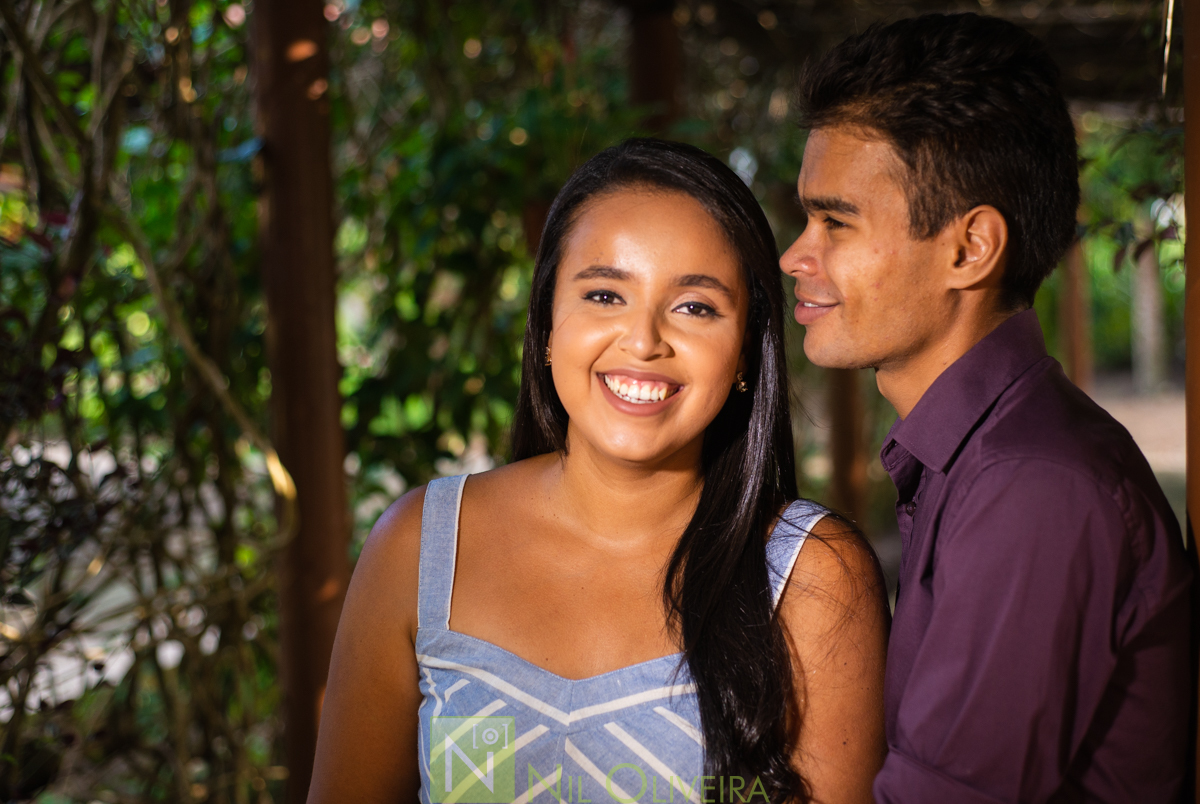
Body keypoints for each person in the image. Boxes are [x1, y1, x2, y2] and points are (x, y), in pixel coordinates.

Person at [308, 138, 890, 804]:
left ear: (744, 354)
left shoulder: (812, 577)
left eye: (695, 306)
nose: (643, 341)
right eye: (606, 295)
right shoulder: (421, 546)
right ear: (547, 326)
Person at [780, 12, 1193, 804]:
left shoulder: (1032, 487)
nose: (797, 255)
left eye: (835, 221)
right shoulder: (980, 456)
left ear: (970, 248)